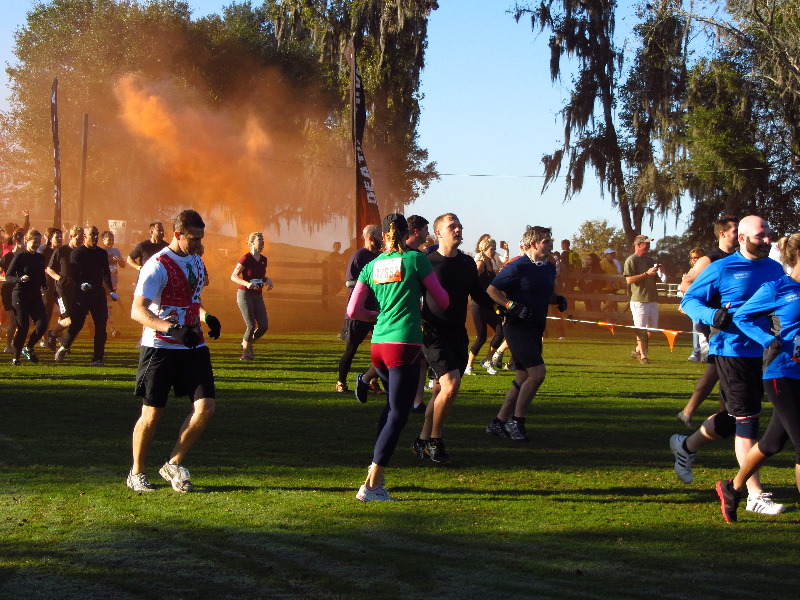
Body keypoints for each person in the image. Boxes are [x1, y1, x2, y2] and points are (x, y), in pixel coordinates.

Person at [672, 215, 785, 516]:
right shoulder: (721, 268)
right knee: (748, 420)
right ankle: (753, 493)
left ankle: (686, 447)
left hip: (765, 351)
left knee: (733, 418)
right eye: (761, 235)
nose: (767, 240)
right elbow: (688, 301)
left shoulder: (774, 269)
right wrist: (713, 317)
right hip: (731, 351)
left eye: (769, 235)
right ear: (742, 237)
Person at [346, 213, 448, 501]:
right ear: (406, 234)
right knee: (399, 414)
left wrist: (376, 315)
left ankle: (373, 472)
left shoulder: (373, 264)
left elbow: (353, 311)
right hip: (403, 344)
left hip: (378, 345)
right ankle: (372, 484)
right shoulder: (416, 260)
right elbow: (442, 300)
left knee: (391, 408)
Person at [127, 209, 221, 493]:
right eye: (193, 238)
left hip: (193, 345)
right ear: (178, 234)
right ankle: (137, 472)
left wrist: (207, 317)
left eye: (201, 238)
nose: (197, 244)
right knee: (152, 415)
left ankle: (174, 463)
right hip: (160, 348)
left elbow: (192, 299)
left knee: (206, 407)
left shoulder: (196, 260)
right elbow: (137, 311)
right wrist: (170, 328)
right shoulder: (156, 265)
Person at [716, 232, 800, 522]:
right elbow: (742, 317)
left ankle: (732, 488)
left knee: (772, 444)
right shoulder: (779, 287)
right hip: (783, 375)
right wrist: (767, 339)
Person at [410, 213, 493, 464]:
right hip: (432, 334)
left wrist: (504, 310)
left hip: (458, 333)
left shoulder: (468, 263)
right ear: (439, 233)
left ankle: (422, 440)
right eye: (452, 226)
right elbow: (410, 295)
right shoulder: (425, 262)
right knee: (451, 384)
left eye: (459, 226)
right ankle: (436, 440)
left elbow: (478, 294)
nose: (458, 229)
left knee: (440, 391)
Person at [485, 226, 568, 442]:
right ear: (534, 244)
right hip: (516, 327)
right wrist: (512, 305)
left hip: (536, 327)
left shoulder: (549, 267)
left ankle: (498, 422)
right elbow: (492, 290)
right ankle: (517, 422)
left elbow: (546, 294)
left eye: (551, 240)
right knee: (537, 374)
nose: (551, 244)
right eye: (547, 241)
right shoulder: (517, 266)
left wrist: (558, 300)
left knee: (522, 376)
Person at [676, 216, 738, 427]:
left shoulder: (739, 257)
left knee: (720, 370)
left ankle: (721, 414)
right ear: (722, 233)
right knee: (718, 370)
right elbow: (686, 285)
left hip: (733, 321)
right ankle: (693, 412)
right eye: (734, 230)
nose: (738, 235)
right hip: (715, 322)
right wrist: (710, 305)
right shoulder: (709, 260)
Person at [54, 226, 117, 366]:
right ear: (85, 236)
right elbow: (75, 273)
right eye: (92, 234)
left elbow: (106, 273)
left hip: (98, 294)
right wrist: (82, 284)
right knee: (76, 324)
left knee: (101, 325)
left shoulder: (101, 253)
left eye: (96, 234)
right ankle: (64, 346)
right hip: (82, 294)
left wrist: (110, 290)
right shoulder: (78, 253)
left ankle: (98, 358)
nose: (95, 237)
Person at [336, 224, 382, 394]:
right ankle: (341, 381)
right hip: (359, 311)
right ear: (370, 237)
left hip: (377, 310)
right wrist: (369, 282)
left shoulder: (382, 257)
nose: (382, 238)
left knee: (379, 349)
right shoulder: (359, 256)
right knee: (351, 348)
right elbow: (349, 282)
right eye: (378, 235)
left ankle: (372, 380)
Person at [5, 230, 47, 364]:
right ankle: (16, 358)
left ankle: (28, 348)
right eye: (34, 242)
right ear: (27, 241)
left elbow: (41, 275)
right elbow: (8, 276)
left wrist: (44, 285)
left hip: (35, 295)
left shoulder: (40, 257)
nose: (37, 245)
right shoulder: (20, 257)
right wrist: (20, 279)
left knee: (42, 324)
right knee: (23, 327)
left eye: (39, 242)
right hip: (21, 295)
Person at [465, 236, 504, 375]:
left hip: (490, 305)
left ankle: (487, 360)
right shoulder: (480, 264)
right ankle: (468, 365)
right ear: (484, 249)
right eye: (491, 249)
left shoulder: (492, 263)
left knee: (501, 332)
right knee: (481, 337)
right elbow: (472, 282)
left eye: (494, 249)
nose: (493, 251)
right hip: (478, 305)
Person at [230, 232, 272, 361]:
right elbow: (234, 276)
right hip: (245, 294)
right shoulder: (246, 258)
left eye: (263, 239)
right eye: (259, 239)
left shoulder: (264, 259)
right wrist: (247, 284)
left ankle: (247, 344)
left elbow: (260, 275)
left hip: (258, 295)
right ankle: (245, 354)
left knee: (264, 325)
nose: (262, 242)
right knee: (251, 325)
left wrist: (267, 279)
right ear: (252, 242)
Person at [46, 225, 85, 350]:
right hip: (62, 291)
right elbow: (49, 269)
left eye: (82, 238)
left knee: (76, 320)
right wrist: (60, 278)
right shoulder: (61, 251)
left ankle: (63, 343)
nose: (80, 241)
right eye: (78, 238)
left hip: (77, 291)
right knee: (69, 320)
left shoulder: (82, 252)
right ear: (71, 237)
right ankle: (52, 334)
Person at [623, 234, 659, 364]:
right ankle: (643, 356)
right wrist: (646, 274)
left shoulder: (649, 260)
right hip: (639, 299)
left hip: (652, 298)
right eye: (646, 243)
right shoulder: (631, 260)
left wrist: (658, 272)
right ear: (638, 245)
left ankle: (637, 349)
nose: (648, 246)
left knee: (653, 329)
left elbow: (654, 278)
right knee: (640, 329)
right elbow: (629, 280)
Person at [0, 229, 25, 352]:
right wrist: (7, 279)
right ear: (16, 241)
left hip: (22, 291)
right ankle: (9, 346)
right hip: (8, 290)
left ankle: (16, 345)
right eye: (23, 241)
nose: (25, 244)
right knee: (13, 321)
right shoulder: (7, 257)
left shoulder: (27, 256)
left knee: (24, 321)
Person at [101, 230, 126, 338]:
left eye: (112, 239)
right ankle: (111, 329)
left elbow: (123, 265)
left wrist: (120, 260)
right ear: (103, 240)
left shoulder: (116, 251)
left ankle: (107, 327)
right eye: (108, 239)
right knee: (107, 306)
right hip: (104, 284)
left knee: (109, 306)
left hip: (114, 283)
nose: (111, 241)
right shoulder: (100, 252)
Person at [685, 247, 706, 363]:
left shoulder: (707, 270)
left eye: (696, 258)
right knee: (696, 326)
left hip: (706, 302)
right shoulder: (691, 272)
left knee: (705, 327)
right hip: (695, 303)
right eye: (692, 258)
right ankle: (696, 351)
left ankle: (706, 353)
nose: (694, 260)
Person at [599, 248, 623, 312]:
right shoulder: (602, 262)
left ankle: (609, 320)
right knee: (610, 302)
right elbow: (600, 274)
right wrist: (606, 280)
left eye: (613, 254)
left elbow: (616, 273)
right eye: (610, 254)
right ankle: (598, 313)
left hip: (613, 287)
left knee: (613, 305)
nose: (612, 255)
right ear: (606, 255)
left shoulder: (614, 263)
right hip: (605, 288)